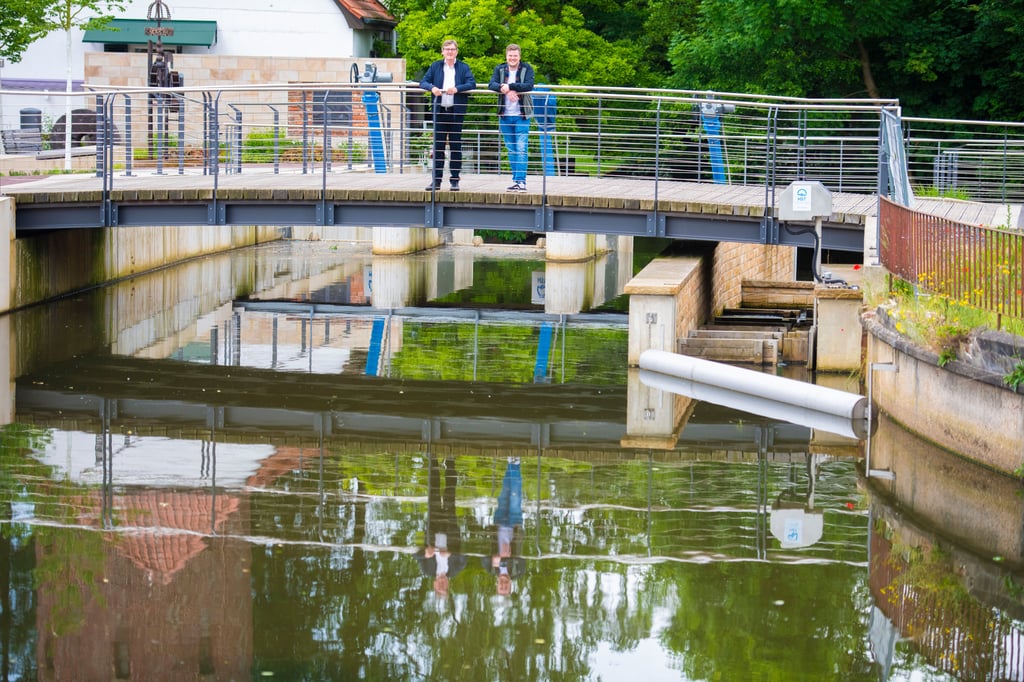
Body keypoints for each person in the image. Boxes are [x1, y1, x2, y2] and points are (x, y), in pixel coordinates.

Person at [419, 39, 477, 192]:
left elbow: (472, 84)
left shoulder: (463, 67)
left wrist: (457, 89)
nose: (450, 52)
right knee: (438, 147)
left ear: (456, 51)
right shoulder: (435, 66)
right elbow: (423, 82)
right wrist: (432, 88)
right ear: (442, 51)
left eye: (452, 49)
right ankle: (436, 181)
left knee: (455, 146)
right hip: (439, 111)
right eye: (447, 49)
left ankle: (454, 181)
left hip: (455, 112)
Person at [416, 454, 467, 597]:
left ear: (434, 584)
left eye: (439, 586)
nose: (442, 584)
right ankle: (450, 462)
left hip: (433, 527)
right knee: (450, 493)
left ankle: (433, 462)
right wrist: (450, 553)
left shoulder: (427, 570)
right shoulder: (455, 569)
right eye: (444, 587)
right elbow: (464, 557)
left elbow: (416, 555)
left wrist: (426, 553)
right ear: (448, 585)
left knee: (434, 492)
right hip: (450, 527)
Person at [488, 44, 535, 193]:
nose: (512, 58)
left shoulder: (527, 68)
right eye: (510, 56)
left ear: (519, 56)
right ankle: (516, 180)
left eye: (515, 56)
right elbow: (491, 84)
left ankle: (521, 182)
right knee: (511, 149)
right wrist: (505, 89)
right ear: (506, 56)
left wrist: (510, 87)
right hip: (505, 115)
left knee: (521, 149)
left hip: (522, 115)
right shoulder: (500, 69)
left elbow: (529, 85)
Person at [482, 457, 526, 595]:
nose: (503, 584)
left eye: (501, 587)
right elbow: (521, 559)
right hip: (514, 525)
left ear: (496, 584)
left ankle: (510, 464)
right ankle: (516, 464)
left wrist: (494, 559)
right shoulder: (517, 572)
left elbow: (482, 557)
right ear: (510, 585)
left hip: (499, 524)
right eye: (506, 587)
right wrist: (509, 558)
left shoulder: (490, 569)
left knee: (505, 493)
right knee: (515, 496)